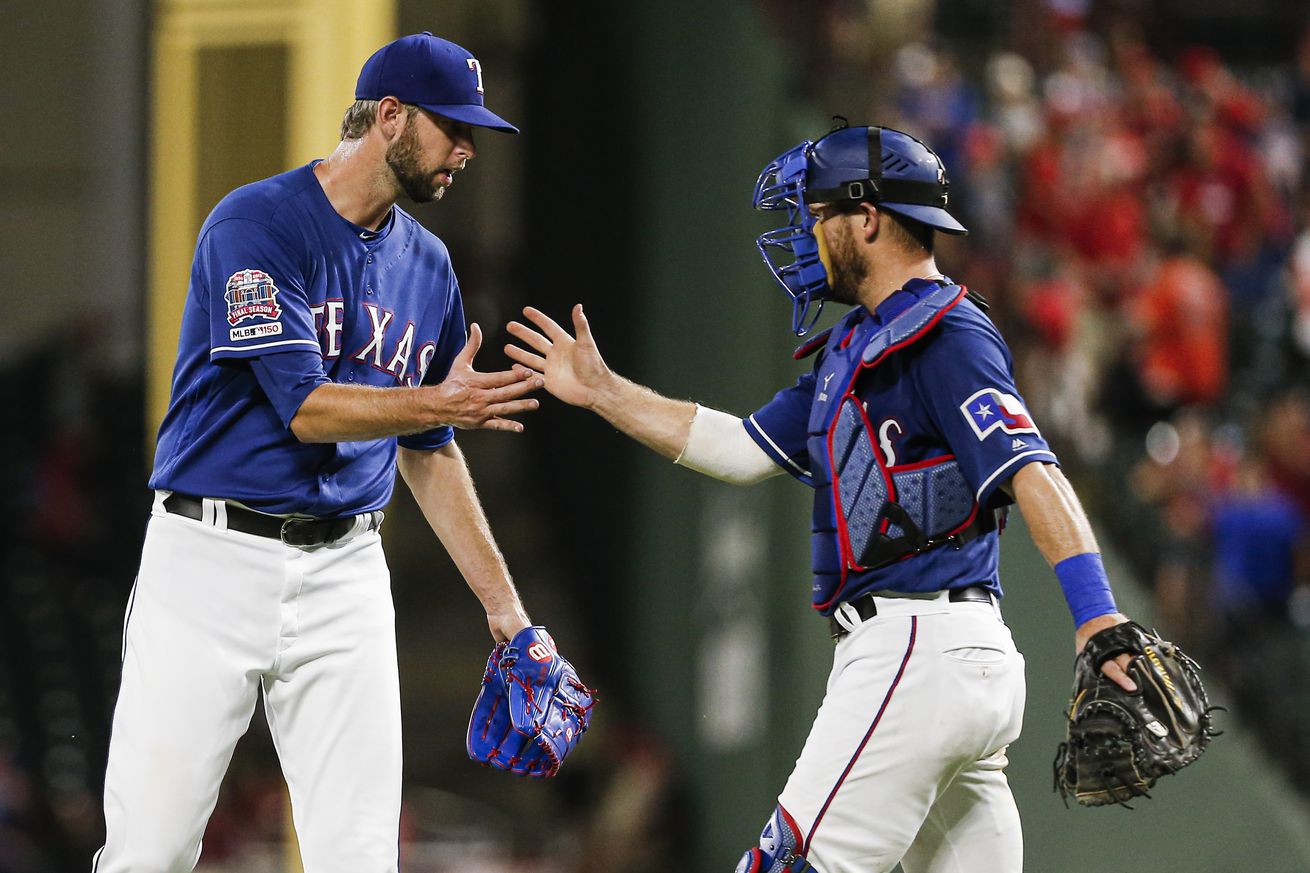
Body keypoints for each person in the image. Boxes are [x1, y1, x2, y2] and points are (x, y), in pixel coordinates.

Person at [506, 123, 1138, 873]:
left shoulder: (946, 331)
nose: (804, 233)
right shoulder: (858, 346)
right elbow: (740, 447)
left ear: (866, 218)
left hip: (912, 649)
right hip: (956, 663)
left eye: (816, 214)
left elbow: (1034, 470)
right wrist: (607, 394)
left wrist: (1098, 615)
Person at [95, 32, 542, 873]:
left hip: (345, 571)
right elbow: (302, 409)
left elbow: (430, 449)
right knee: (148, 852)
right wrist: (434, 402)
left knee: (361, 856)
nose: (467, 150)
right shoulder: (256, 223)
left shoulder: (430, 267)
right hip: (209, 561)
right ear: (390, 117)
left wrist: (505, 608)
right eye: (453, 127)